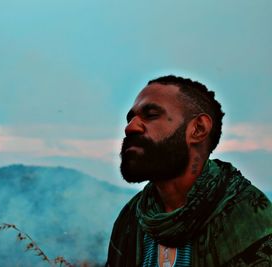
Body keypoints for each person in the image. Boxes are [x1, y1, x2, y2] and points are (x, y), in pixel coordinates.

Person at [106, 75, 272, 267]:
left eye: (151, 115)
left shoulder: (249, 220)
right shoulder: (132, 218)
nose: (130, 127)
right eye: (130, 118)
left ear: (198, 129)